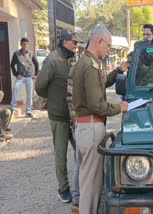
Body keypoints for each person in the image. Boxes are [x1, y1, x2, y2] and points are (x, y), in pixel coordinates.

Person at [72, 24, 128, 214]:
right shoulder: (90, 65)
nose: (108, 50)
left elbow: (99, 85)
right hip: (91, 125)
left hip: (87, 125)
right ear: (98, 41)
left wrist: (117, 71)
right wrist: (118, 107)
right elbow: (97, 104)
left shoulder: (86, 62)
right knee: (90, 184)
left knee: (91, 180)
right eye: (108, 46)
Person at [35, 29, 79, 203]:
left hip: (73, 116)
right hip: (58, 116)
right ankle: (63, 188)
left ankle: (80, 184)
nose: (76, 46)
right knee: (61, 154)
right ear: (65, 42)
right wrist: (52, 99)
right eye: (74, 43)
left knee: (81, 151)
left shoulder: (70, 60)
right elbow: (40, 87)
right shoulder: (53, 60)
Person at [10, 38, 39, 118]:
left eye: (27, 44)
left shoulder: (31, 53)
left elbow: (36, 63)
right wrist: (16, 74)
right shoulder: (16, 54)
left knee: (29, 95)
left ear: (28, 45)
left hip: (30, 77)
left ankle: (29, 111)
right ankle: (13, 107)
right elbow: (12, 65)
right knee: (15, 88)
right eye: (24, 44)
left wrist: (36, 74)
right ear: (21, 45)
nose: (25, 46)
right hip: (21, 77)